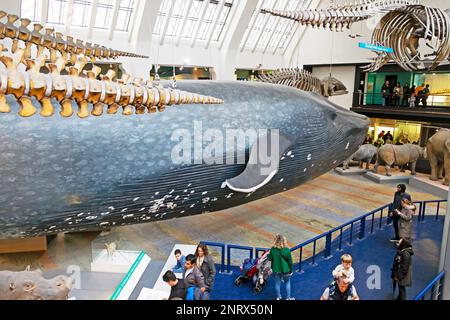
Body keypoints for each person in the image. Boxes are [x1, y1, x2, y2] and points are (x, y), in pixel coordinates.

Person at [268, 234, 294, 300]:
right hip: (285, 270)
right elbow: (290, 262)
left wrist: (268, 255)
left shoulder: (272, 249)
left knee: (277, 283)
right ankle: (288, 298)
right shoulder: (287, 250)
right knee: (287, 282)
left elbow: (270, 258)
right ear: (284, 241)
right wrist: (291, 270)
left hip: (276, 270)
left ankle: (278, 297)